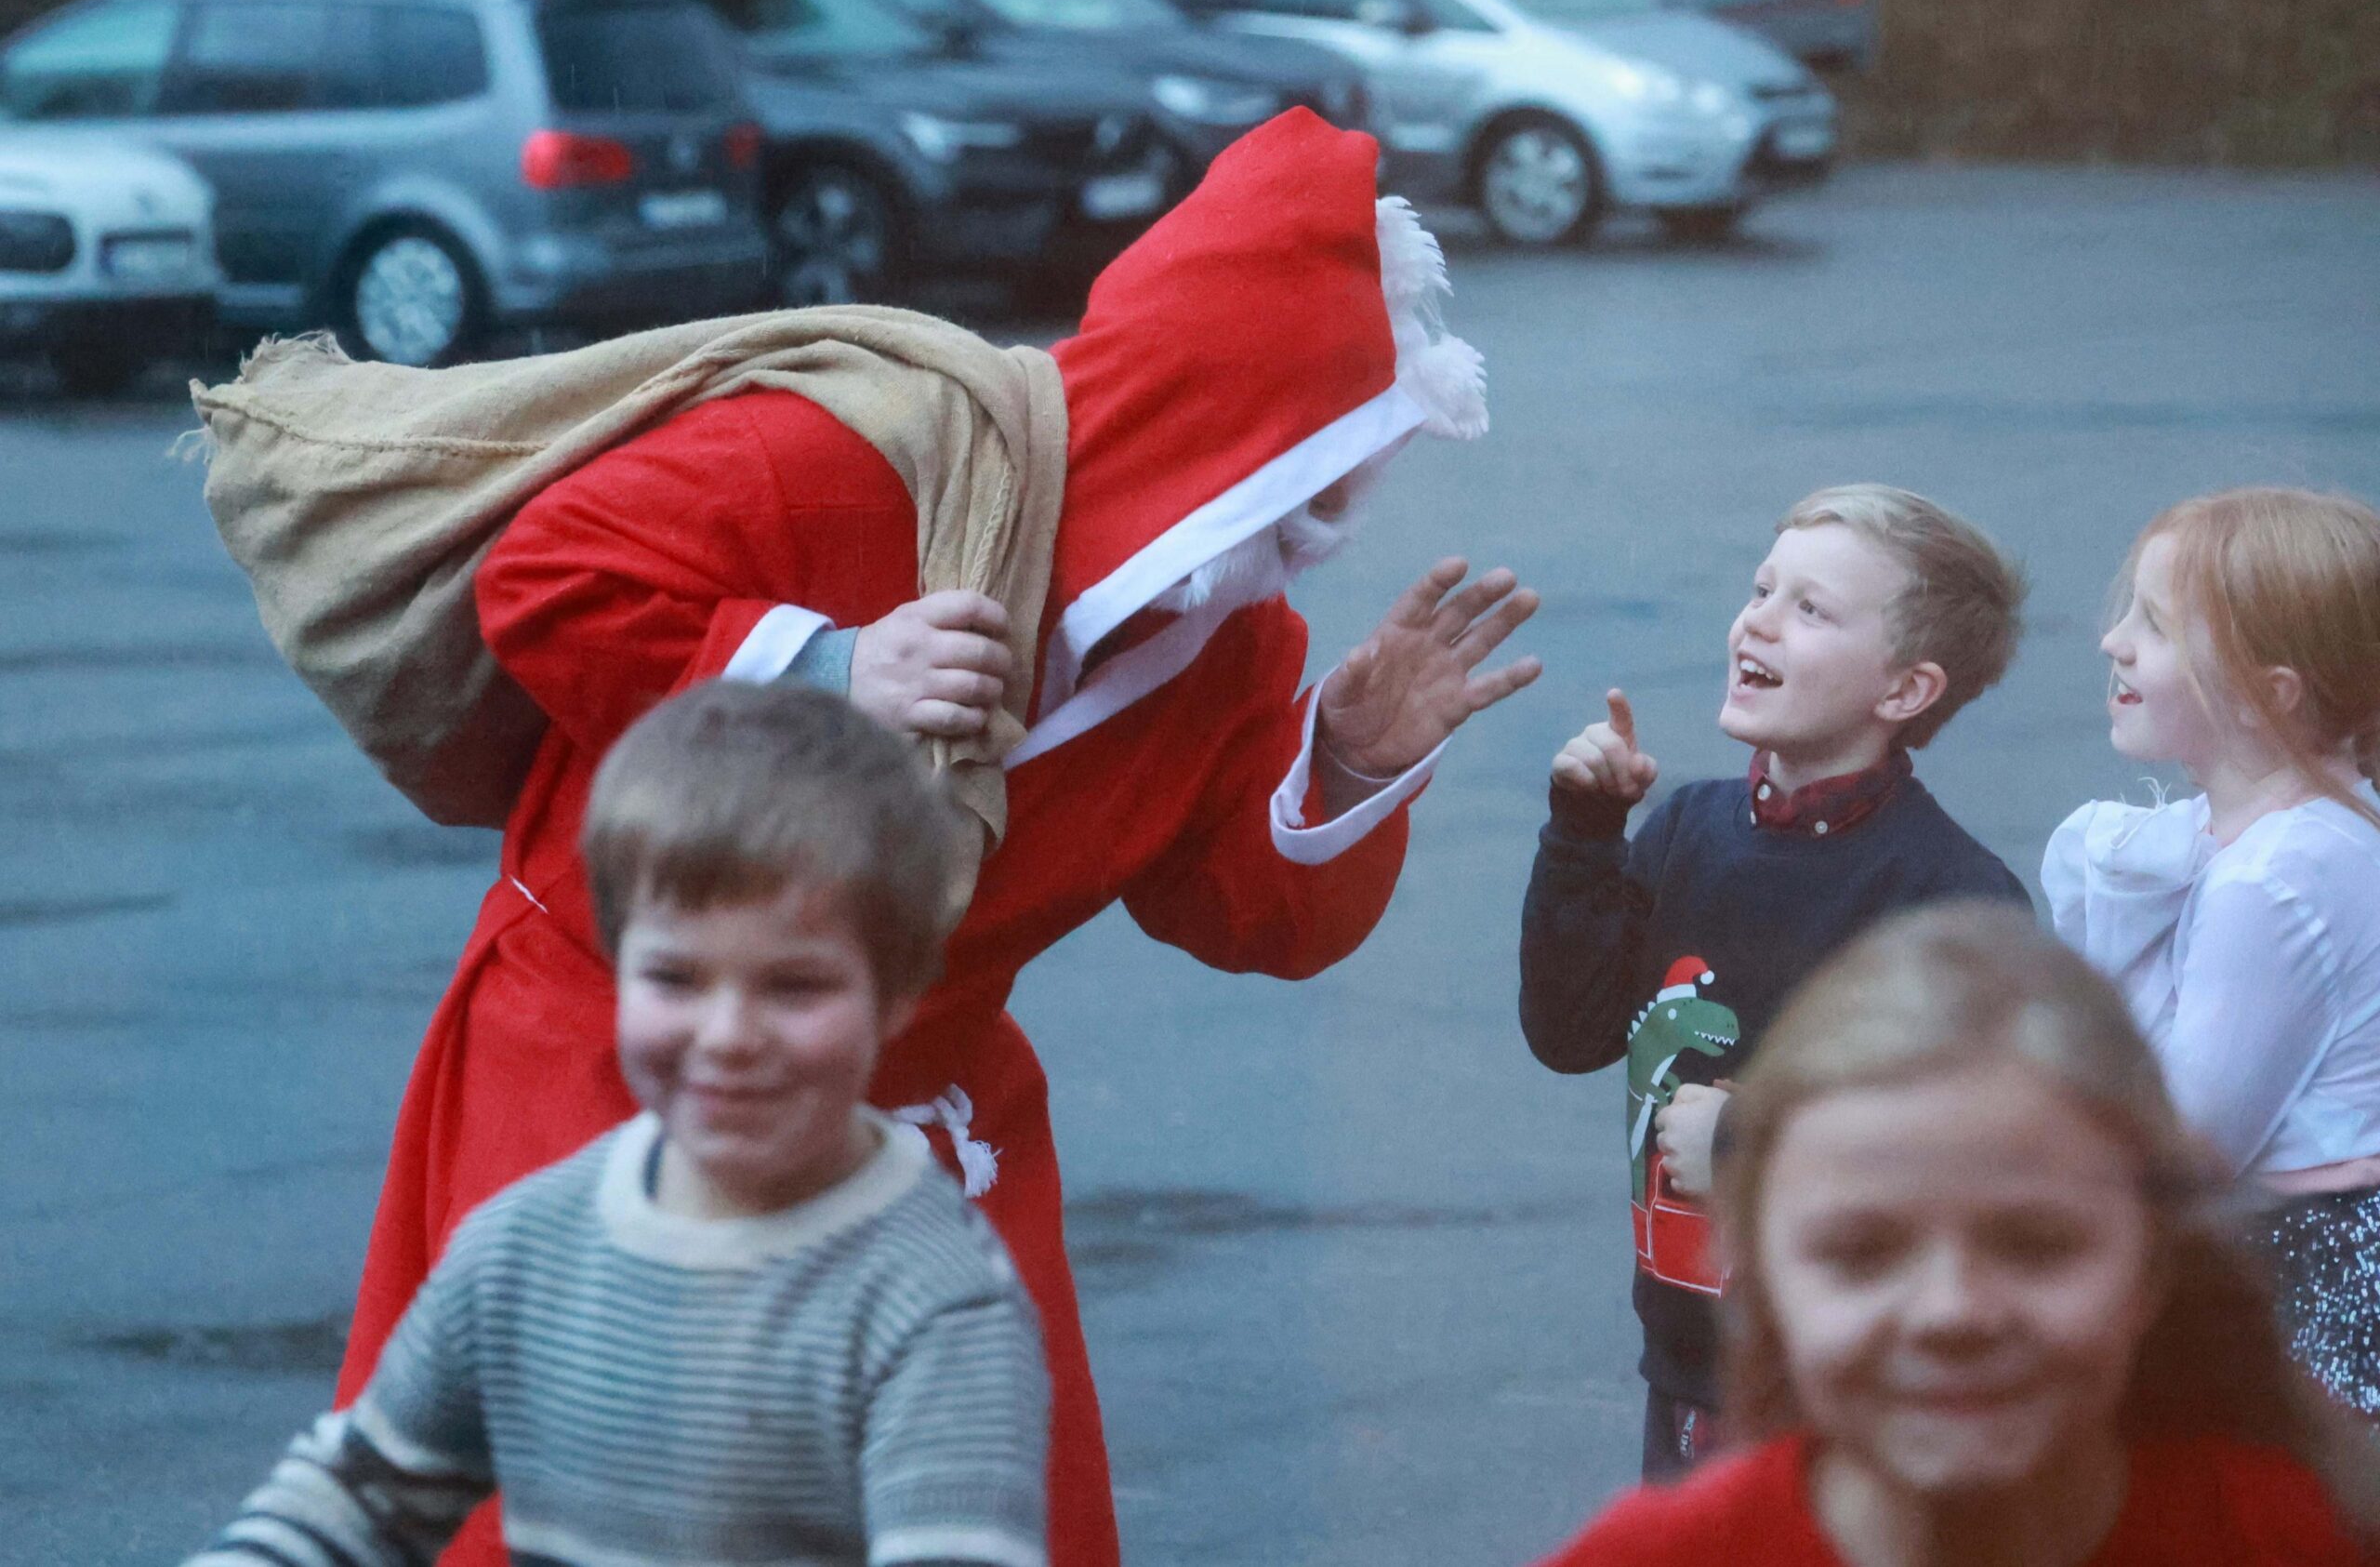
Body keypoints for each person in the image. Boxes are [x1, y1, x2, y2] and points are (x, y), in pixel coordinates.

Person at [334, 110, 1540, 1566]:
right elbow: (547, 575)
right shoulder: (877, 456)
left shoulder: (1231, 645)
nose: (1345, 507)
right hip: (625, 1052)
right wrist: (833, 665)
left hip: (920, 1105)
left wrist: (1344, 761)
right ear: (1235, 424)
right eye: (1332, 456)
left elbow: (1241, 912)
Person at [186, 681, 1049, 1567]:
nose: (728, 1038)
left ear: (899, 993)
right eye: (675, 978)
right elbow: (360, 1495)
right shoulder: (527, 1246)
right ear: (616, 963)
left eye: (794, 986)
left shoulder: (934, 1303)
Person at [1537, 904, 2380, 1566]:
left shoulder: (2311, 1539)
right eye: (1862, 1254)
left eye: (2036, 1245)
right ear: (1757, 1276)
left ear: (2152, 1261)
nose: (1952, 1311)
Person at [1520, 485, 2030, 1478]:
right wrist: (1582, 836)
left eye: (1811, 609)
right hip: (1687, 1354)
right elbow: (1569, 1029)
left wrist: (1752, 1140)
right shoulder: (1682, 832)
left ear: (1903, 691)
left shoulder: (1951, 898)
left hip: (1853, 1387)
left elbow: (1969, 1150)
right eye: (1763, 588)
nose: (1757, 618)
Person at [2043, 486, 2380, 1418]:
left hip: (2312, 1274)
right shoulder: (2328, 833)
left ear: (2267, 696)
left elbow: (2179, 1147)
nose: (2112, 640)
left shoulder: (2267, 883)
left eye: (2152, 624)